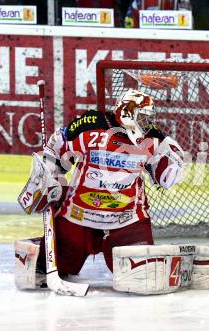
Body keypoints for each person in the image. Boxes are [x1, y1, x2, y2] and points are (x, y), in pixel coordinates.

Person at [15, 89, 189, 290]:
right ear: (126, 113)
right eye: (142, 117)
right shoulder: (90, 125)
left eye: (148, 118)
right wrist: (48, 177)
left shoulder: (153, 139)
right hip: (78, 216)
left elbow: (165, 178)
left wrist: (172, 159)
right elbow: (57, 148)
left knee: (142, 275)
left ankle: (173, 264)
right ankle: (40, 252)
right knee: (58, 265)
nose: (146, 123)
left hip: (126, 219)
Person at [124, 0, 192, 28]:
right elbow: (129, 27)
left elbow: (187, 25)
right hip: (144, 42)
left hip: (174, 42)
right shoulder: (138, 2)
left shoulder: (182, 2)